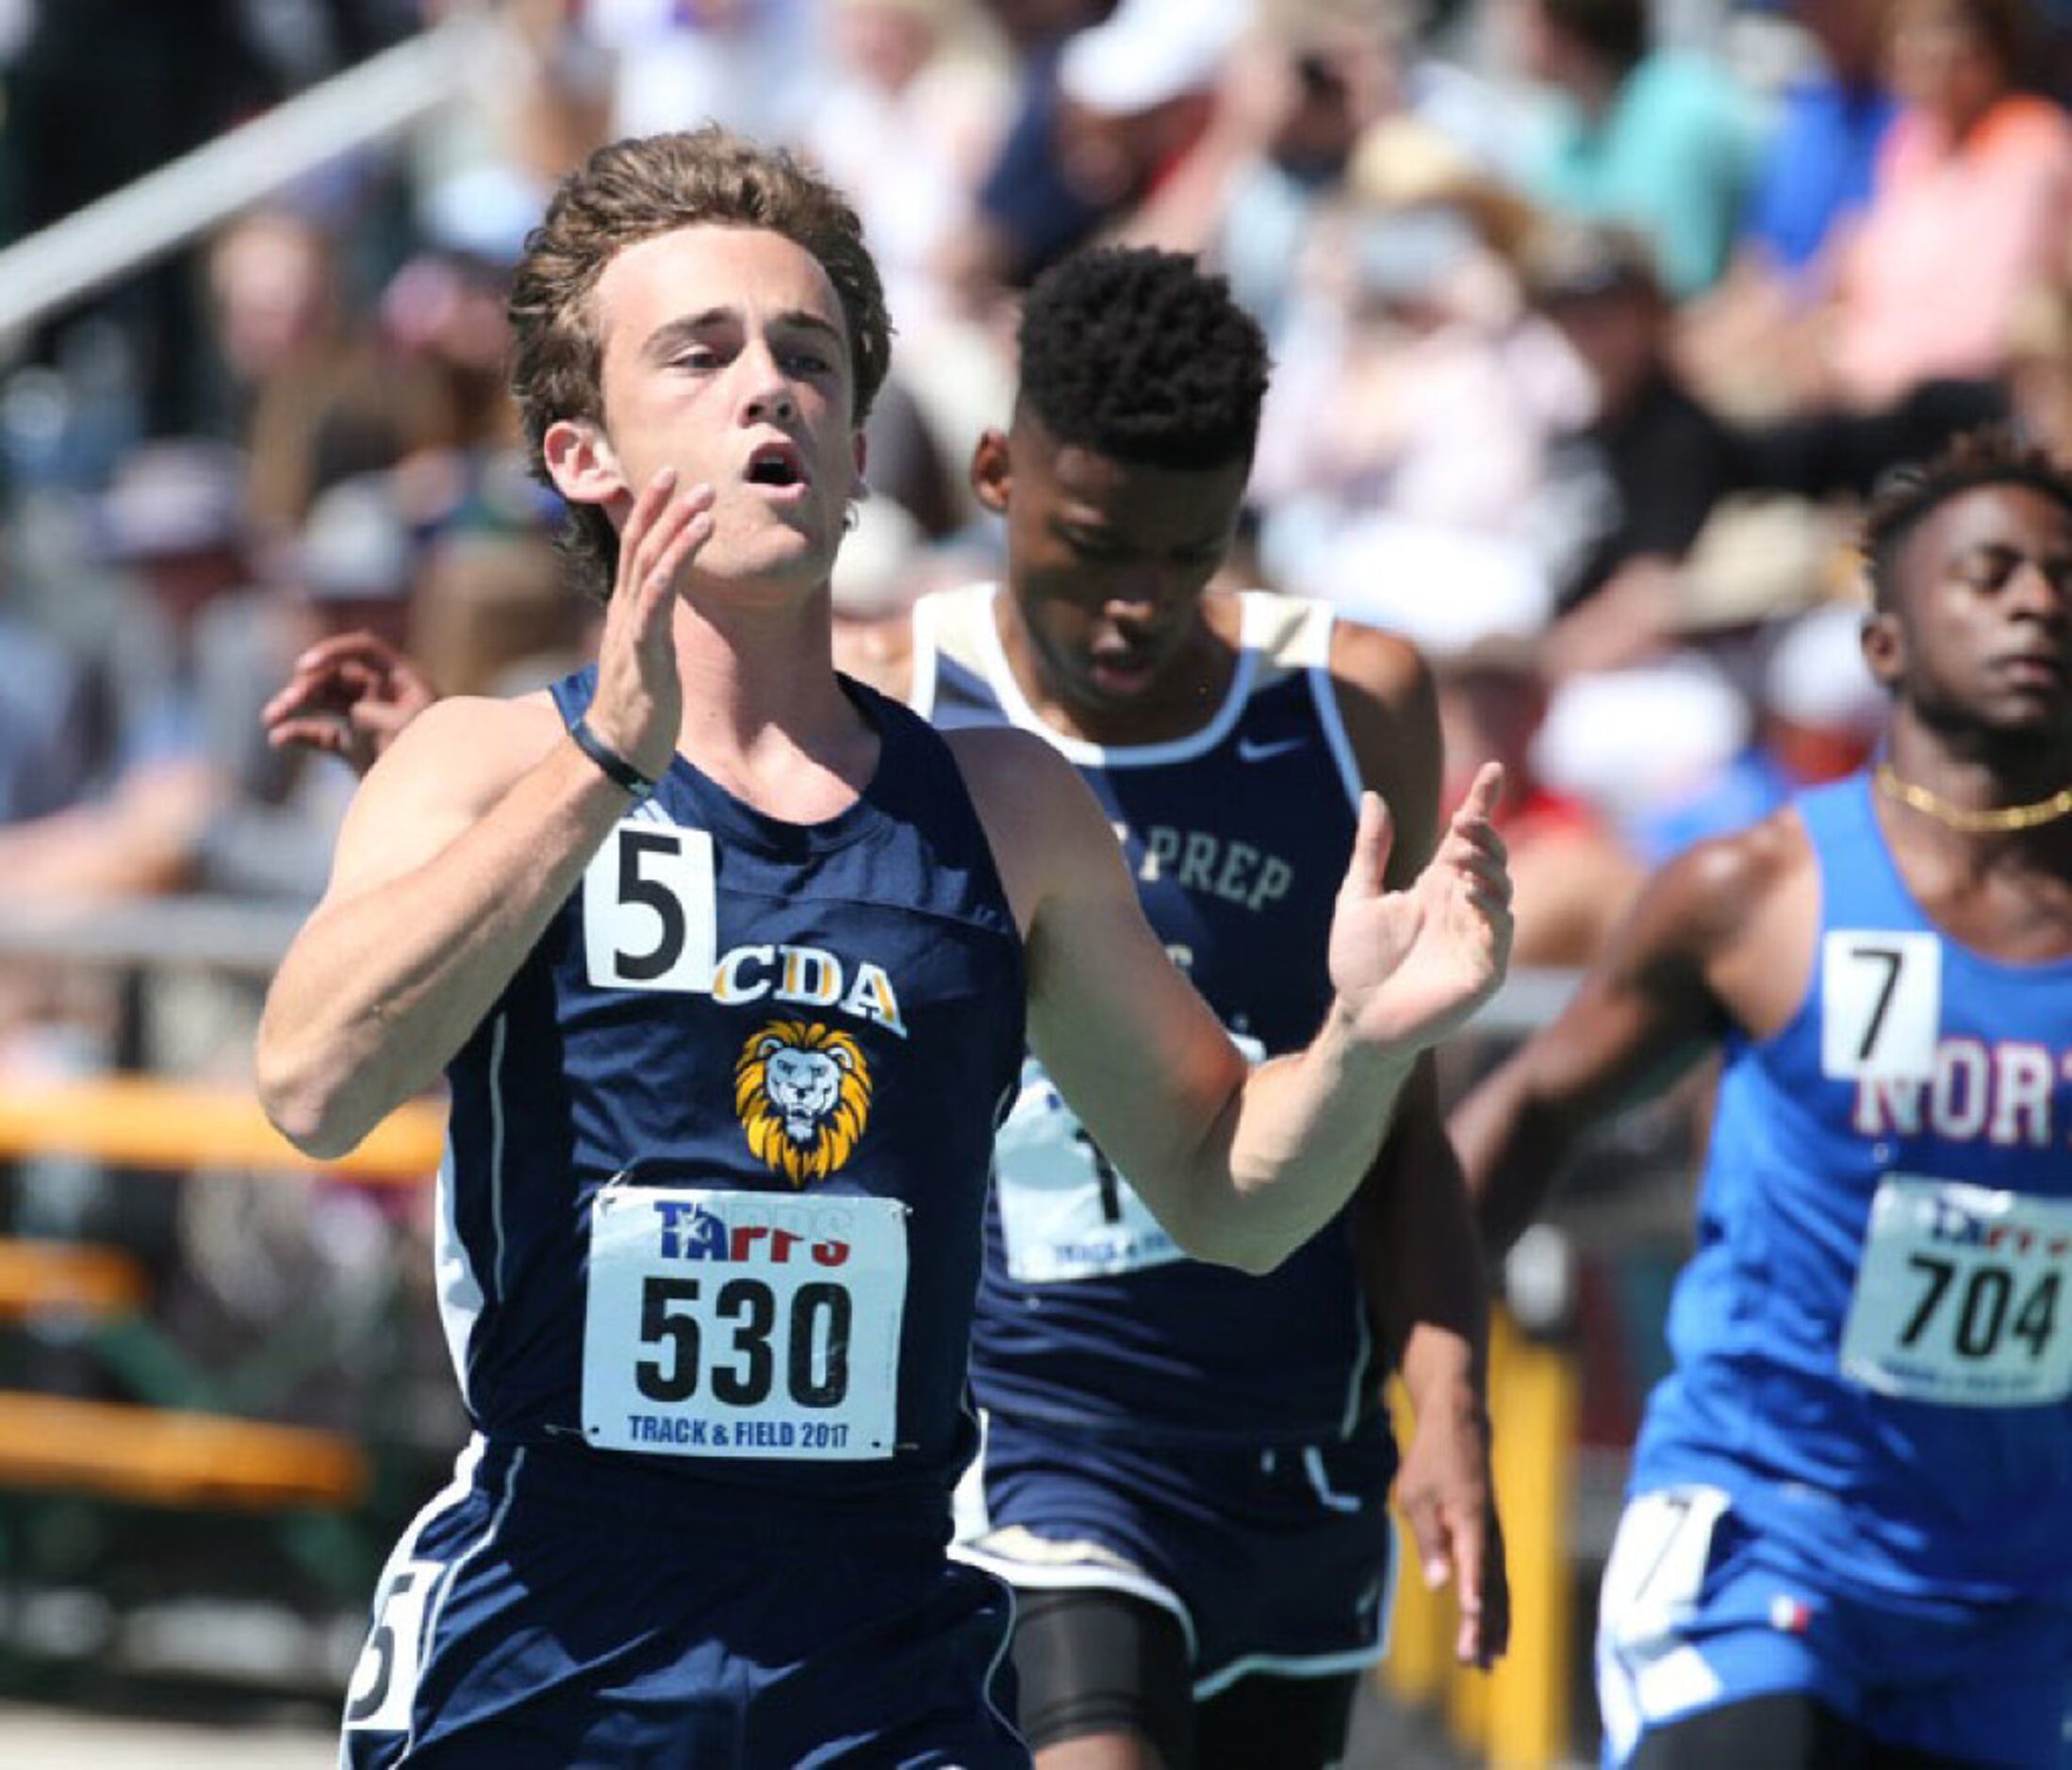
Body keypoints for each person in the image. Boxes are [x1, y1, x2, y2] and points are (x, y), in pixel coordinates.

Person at [252, 126, 1514, 1766]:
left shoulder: (1003, 804)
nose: (768, 387)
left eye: (811, 357)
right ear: (583, 454)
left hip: (881, 1657)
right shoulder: (489, 762)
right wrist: (605, 768)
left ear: (858, 450)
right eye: (700, 355)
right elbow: (311, 1082)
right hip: (553, 1637)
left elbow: (1228, 1189)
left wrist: (1366, 1041)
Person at [901, 246, 1506, 1769]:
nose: (1134, 608)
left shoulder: (1349, 703)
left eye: (1187, 554)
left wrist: (1445, 1397)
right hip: (1025, 1444)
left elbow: (1399, 1121)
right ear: (994, 470)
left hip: (1286, 1450)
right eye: (1094, 546)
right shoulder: (897, 703)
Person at [1449, 426, 2072, 1769]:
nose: (2036, 600)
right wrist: (1416, 1368)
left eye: (2061, 577)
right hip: (1763, 1540)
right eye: (1990, 572)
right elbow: (1534, 1109)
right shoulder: (1756, 891)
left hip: (2018, 1593)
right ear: (1884, 644)